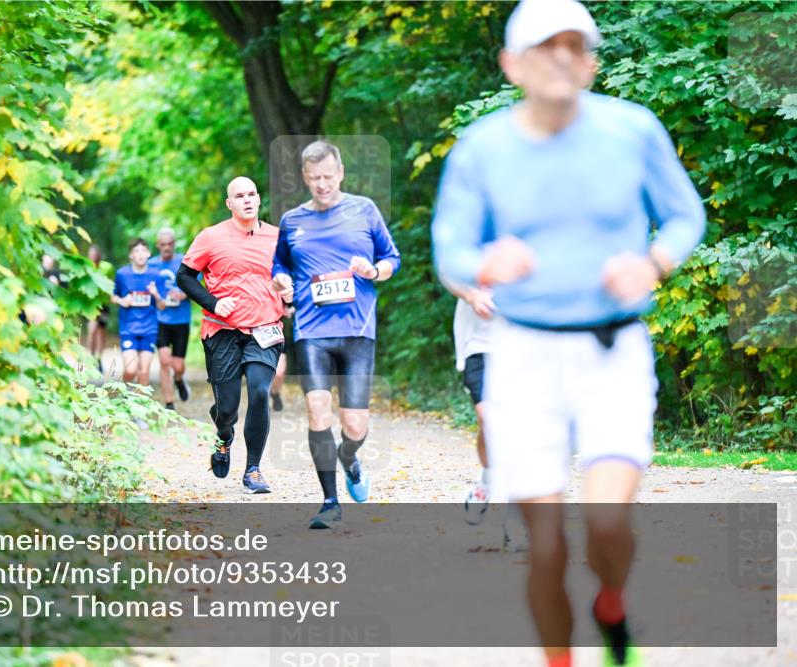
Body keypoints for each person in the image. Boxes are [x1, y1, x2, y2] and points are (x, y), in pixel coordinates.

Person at [431, 1, 706, 665]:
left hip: (611, 348)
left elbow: (683, 215)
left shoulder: (632, 130)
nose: (559, 55)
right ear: (511, 64)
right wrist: (481, 264)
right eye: (542, 45)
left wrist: (654, 261)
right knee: (546, 544)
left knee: (607, 522)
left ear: (590, 62)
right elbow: (449, 247)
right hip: (523, 354)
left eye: (573, 44)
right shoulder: (482, 149)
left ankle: (611, 603)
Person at [273, 140, 401, 530]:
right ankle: (330, 501)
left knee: (355, 425)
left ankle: (350, 456)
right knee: (316, 409)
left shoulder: (364, 210)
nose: (323, 185)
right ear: (305, 178)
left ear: (341, 173)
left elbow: (391, 258)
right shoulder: (292, 220)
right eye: (314, 179)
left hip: (357, 331)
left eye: (328, 177)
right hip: (312, 331)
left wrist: (373, 272)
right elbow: (279, 262)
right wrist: (280, 278)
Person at [176, 177, 285, 494]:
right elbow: (184, 277)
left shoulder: (278, 238)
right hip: (221, 330)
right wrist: (213, 302)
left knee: (260, 391)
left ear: (259, 199)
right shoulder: (211, 237)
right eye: (240, 195)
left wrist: (289, 294)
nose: (248, 200)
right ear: (230, 204)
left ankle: (253, 470)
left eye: (252, 194)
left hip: (264, 328)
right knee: (227, 408)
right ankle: (224, 436)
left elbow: (289, 275)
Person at [452, 288, 495, 525]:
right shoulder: (472, 252)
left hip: (524, 347)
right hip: (478, 348)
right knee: (489, 422)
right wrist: (471, 295)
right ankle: (488, 480)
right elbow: (448, 272)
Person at [149, 227, 193, 410]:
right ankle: (169, 403)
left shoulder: (184, 262)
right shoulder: (150, 265)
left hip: (181, 320)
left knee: (178, 365)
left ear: (174, 244)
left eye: (169, 244)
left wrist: (184, 294)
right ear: (158, 245)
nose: (166, 247)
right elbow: (143, 288)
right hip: (160, 320)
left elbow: (195, 285)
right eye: (163, 244)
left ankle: (180, 379)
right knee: (165, 361)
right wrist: (155, 298)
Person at [112, 238, 165, 387]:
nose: (140, 254)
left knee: (144, 372)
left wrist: (156, 295)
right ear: (131, 255)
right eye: (136, 251)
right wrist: (122, 301)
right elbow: (112, 296)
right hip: (128, 328)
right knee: (130, 370)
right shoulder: (122, 274)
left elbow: (162, 306)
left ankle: (142, 408)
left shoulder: (156, 275)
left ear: (148, 253)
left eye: (143, 251)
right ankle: (124, 396)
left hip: (149, 329)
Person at [87, 245, 114, 374]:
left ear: (99, 256)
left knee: (101, 332)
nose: (93, 257)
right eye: (91, 255)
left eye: (95, 255)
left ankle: (99, 358)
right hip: (91, 305)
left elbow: (111, 283)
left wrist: (111, 296)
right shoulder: (86, 267)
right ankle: (91, 357)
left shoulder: (107, 267)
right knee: (92, 330)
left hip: (104, 304)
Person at [269, 305, 296, 412]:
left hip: (278, 333)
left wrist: (291, 309)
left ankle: (274, 393)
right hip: (253, 332)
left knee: (279, 373)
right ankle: (261, 398)